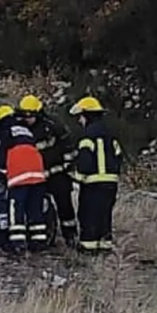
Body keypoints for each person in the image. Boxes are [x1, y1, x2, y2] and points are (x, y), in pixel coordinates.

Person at [17, 94, 79, 248]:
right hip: (36, 176)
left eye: (30, 115)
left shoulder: (53, 125)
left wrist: (67, 167)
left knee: (64, 205)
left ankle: (70, 236)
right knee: (36, 207)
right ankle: (42, 238)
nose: (27, 118)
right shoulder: (20, 128)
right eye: (24, 115)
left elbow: (68, 147)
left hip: (57, 173)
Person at [68, 96, 122, 253]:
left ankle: (88, 248)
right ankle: (105, 247)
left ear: (87, 115)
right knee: (104, 216)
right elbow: (118, 156)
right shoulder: (110, 135)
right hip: (111, 184)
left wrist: (75, 178)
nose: (79, 121)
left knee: (88, 216)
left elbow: (84, 163)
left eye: (80, 117)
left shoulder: (87, 137)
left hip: (93, 185)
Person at [0, 104, 48, 255]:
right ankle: (39, 243)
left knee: (16, 209)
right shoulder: (26, 131)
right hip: (37, 174)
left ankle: (18, 244)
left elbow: (3, 157)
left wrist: (1, 174)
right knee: (35, 209)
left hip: (20, 175)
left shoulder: (6, 131)